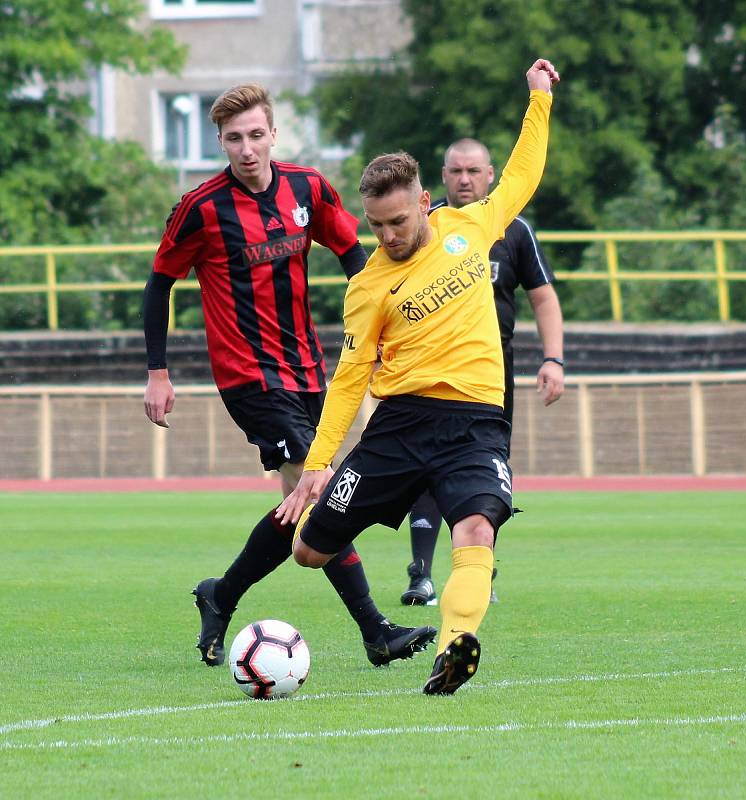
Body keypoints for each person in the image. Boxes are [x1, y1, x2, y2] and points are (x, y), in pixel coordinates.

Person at [277, 59, 559, 695]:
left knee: (478, 526)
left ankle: (456, 647)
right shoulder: (368, 285)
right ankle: (381, 616)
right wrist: (319, 463)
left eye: (397, 222)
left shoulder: (473, 226)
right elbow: (349, 377)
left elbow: (523, 173)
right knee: (307, 550)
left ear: (425, 201)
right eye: (375, 225)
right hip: (398, 428)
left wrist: (538, 99)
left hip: (476, 424)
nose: (387, 236)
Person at [142, 83, 435, 669]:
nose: (246, 149)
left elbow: (354, 252)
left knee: (302, 506)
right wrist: (158, 371)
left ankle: (220, 595)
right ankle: (376, 631)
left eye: (256, 135)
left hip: (309, 371)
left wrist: (381, 320)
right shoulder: (201, 208)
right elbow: (159, 282)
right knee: (318, 489)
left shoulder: (308, 188)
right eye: (233, 139)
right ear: (219, 142)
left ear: (273, 134)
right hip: (248, 377)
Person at [401, 137, 565, 607]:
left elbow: (544, 298)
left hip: (493, 374)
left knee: (484, 472)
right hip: (432, 369)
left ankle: (478, 573)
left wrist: (552, 359)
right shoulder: (424, 227)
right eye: (456, 171)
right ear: (443, 175)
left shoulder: (512, 230)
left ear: (491, 175)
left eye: (474, 171)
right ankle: (421, 575)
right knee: (425, 466)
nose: (465, 179)